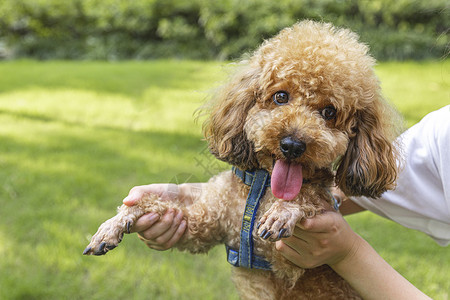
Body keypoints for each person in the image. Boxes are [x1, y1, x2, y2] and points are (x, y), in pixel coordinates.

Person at [123, 105, 449, 299]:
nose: (294, 136)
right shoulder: (441, 133)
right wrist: (214, 197)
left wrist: (349, 253)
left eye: (328, 112)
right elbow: (341, 191)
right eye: (280, 98)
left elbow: (366, 175)